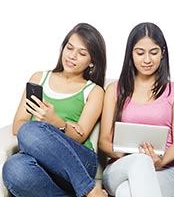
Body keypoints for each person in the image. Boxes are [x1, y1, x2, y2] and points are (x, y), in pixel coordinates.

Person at [2, 23, 108, 197]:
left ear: (92, 62)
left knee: (30, 129)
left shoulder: (94, 91)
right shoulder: (39, 78)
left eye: (82, 53)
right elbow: (17, 126)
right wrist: (44, 130)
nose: (72, 56)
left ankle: (88, 189)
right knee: (14, 166)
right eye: (69, 48)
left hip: (79, 162)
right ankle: (86, 192)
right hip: (40, 162)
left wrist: (54, 121)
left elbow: (79, 137)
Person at [99, 22, 174, 197]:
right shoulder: (114, 90)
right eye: (140, 53)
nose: (147, 60)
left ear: (162, 53)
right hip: (120, 167)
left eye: (153, 52)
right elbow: (103, 141)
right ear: (130, 54)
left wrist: (160, 161)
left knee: (126, 192)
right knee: (140, 161)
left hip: (164, 170)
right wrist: (126, 152)